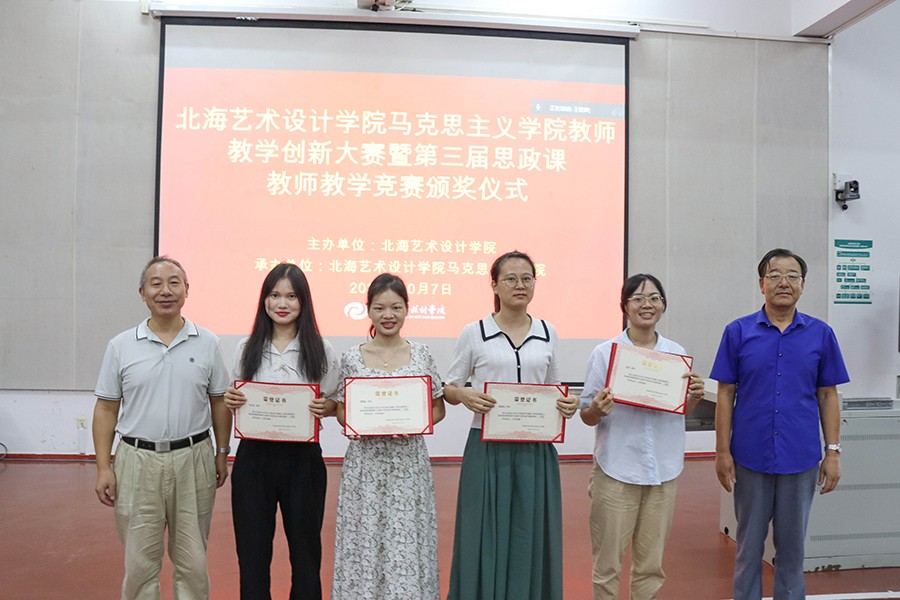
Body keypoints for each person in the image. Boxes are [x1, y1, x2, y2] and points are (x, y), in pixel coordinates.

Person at [711, 248, 849, 600]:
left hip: (800, 458)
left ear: (803, 284)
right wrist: (722, 452)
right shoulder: (738, 332)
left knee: (792, 551)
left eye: (792, 276)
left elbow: (828, 395)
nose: (783, 282)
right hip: (750, 456)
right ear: (762, 284)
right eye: (774, 275)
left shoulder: (821, 334)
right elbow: (725, 394)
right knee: (748, 548)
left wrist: (833, 452)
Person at [92, 256, 232, 600]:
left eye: (174, 282)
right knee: (140, 563)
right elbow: (107, 408)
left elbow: (219, 402)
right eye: (155, 284)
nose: (165, 291)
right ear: (142, 293)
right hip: (136, 461)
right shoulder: (121, 345)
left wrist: (221, 452)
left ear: (187, 290)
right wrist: (103, 467)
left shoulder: (208, 342)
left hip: (193, 458)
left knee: (193, 561)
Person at [444, 250, 580, 600]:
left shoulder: (548, 332)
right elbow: (449, 387)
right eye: (511, 279)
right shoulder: (474, 332)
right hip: (486, 448)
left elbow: (554, 386)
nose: (520, 285)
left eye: (527, 278)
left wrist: (568, 404)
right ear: (494, 285)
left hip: (536, 449)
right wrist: (465, 395)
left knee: (529, 532)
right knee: (482, 531)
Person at [579, 274, 706, 600]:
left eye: (654, 298)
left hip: (663, 470)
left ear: (663, 305)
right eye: (637, 298)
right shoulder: (606, 353)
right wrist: (597, 409)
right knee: (607, 565)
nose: (646, 304)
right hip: (616, 470)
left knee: (651, 566)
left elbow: (680, 411)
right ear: (624, 306)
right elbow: (586, 414)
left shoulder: (675, 353)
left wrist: (694, 396)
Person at [222, 263, 339, 600]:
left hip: (303, 460)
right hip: (253, 458)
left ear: (304, 302)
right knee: (252, 553)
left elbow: (334, 399)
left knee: (306, 553)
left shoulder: (321, 349)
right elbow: (237, 393)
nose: (282, 303)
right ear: (264, 300)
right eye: (274, 295)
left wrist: (327, 407)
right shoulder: (247, 347)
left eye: (291, 296)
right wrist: (231, 398)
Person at [331, 273, 446, 600]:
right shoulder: (352, 357)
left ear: (407, 308)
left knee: (406, 539)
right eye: (380, 308)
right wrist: (358, 425)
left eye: (396, 307)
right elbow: (342, 411)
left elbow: (438, 409)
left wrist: (415, 424)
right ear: (368, 310)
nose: (388, 315)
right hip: (365, 466)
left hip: (408, 465)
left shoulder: (421, 354)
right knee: (364, 539)